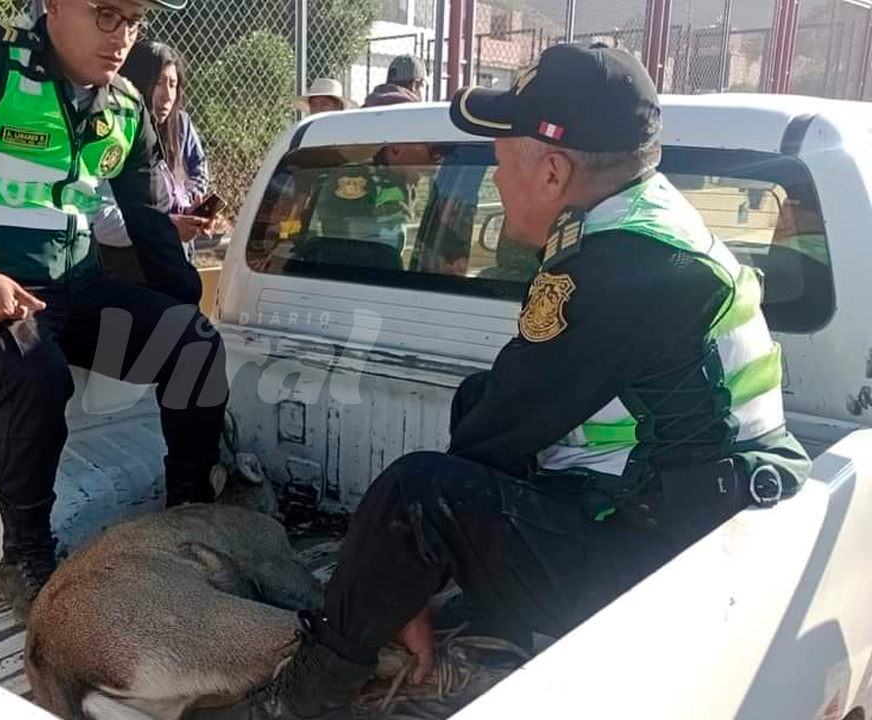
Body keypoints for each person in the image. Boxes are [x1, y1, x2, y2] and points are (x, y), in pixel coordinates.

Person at [243, 43, 812, 720]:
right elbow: (503, 412)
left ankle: (308, 692)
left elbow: (495, 436)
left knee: (413, 496)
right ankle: (494, 635)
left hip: (670, 564)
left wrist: (393, 586)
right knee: (475, 401)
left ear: (551, 172)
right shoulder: (642, 223)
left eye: (500, 158)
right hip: (688, 515)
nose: (493, 175)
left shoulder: (618, 267)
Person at [0, 0, 229, 619]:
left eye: (134, 20)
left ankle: (190, 519)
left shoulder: (125, 105)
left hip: (81, 290)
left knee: (194, 343)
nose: (121, 36)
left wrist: (184, 310)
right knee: (36, 371)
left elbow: (150, 220)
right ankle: (24, 555)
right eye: (105, 13)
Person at [95, 40, 214, 285]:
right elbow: (103, 219)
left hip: (171, 255)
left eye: (173, 84)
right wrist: (166, 228)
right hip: (126, 271)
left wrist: (188, 206)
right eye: (159, 83)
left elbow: (198, 167)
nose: (167, 95)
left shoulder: (180, 124)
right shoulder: (111, 130)